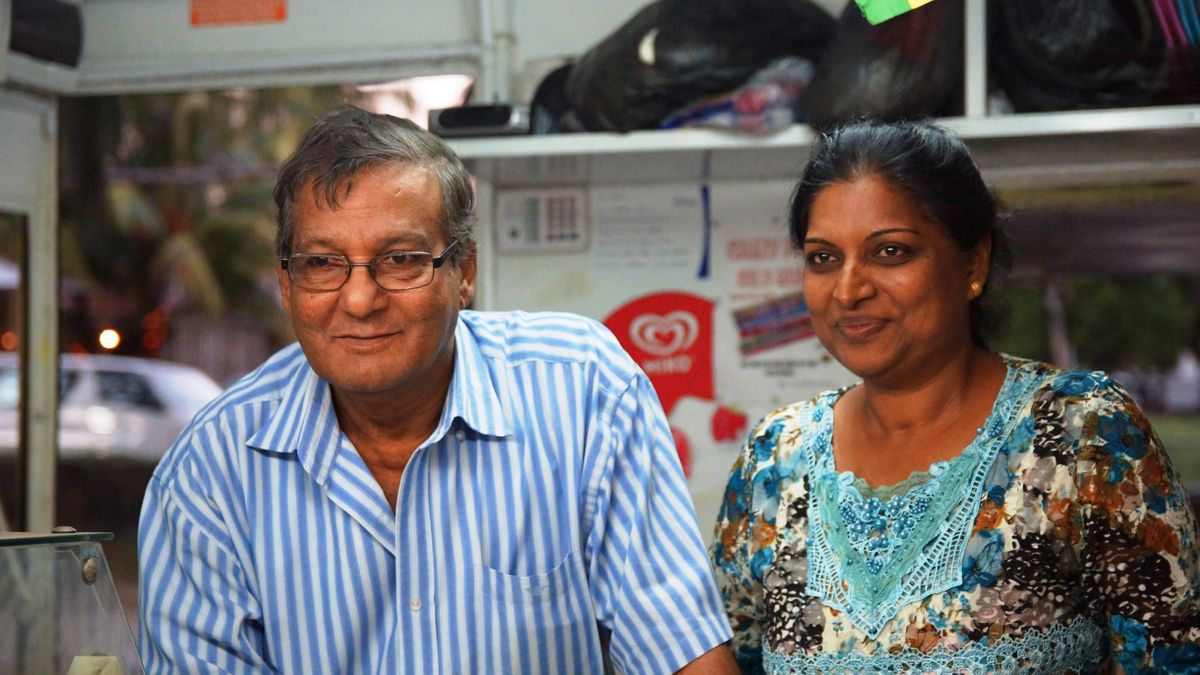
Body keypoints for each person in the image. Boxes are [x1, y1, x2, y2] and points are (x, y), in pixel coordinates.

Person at [138, 106, 737, 674]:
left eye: (400, 259)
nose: (360, 300)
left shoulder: (584, 392)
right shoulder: (211, 471)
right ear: (287, 284)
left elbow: (679, 651)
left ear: (465, 273)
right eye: (322, 263)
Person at [711, 119, 1200, 673]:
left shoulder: (1079, 434)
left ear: (973, 263)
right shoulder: (776, 458)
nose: (848, 289)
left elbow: (1174, 658)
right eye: (823, 257)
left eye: (890, 251)